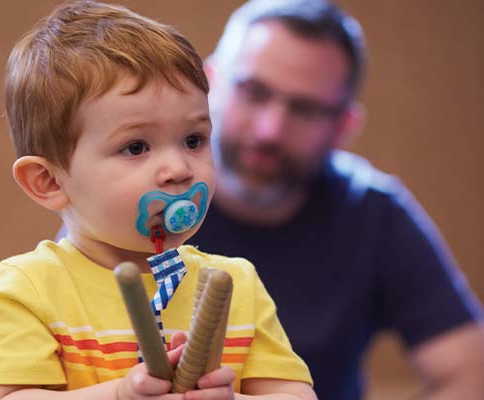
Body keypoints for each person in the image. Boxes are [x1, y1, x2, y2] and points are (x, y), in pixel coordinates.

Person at [0, 1, 318, 400]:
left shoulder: (237, 284)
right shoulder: (31, 288)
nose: (178, 167)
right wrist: (119, 394)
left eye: (193, 140)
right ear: (49, 181)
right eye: (136, 147)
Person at [187, 0, 484, 399]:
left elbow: (470, 373)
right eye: (254, 92)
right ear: (210, 83)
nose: (270, 130)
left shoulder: (373, 212)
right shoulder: (136, 197)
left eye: (305, 109)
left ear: (344, 127)